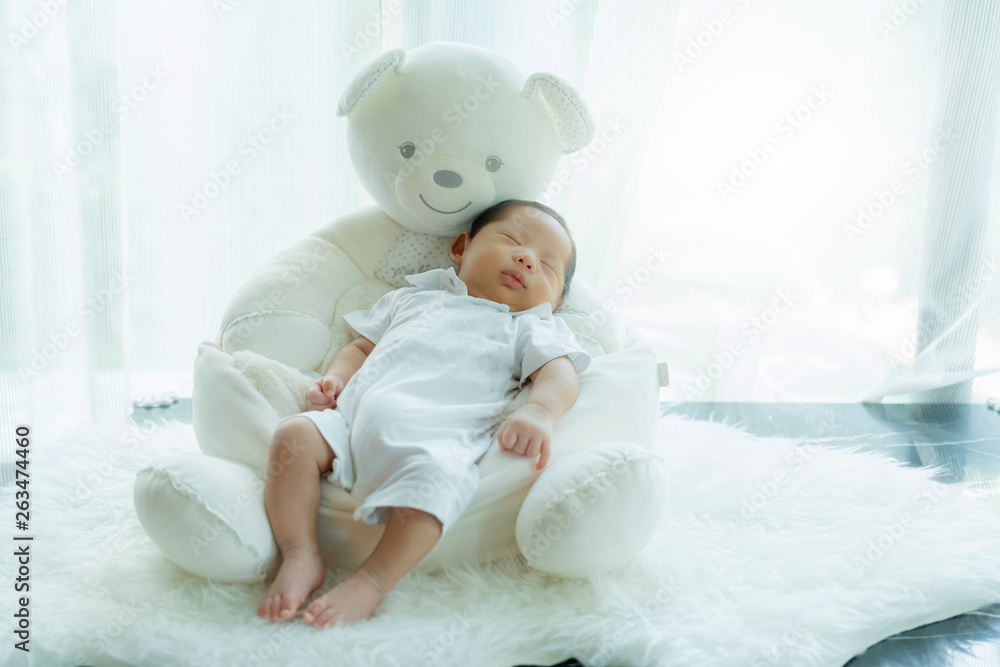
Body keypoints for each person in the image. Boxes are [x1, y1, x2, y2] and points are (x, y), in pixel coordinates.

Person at [256, 199, 591, 628]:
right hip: (349, 422)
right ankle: (300, 554)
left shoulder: (527, 326)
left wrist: (540, 412)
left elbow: (560, 374)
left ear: (558, 299)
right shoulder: (412, 300)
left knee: (438, 486)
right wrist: (335, 379)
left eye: (546, 265)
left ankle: (373, 581)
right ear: (461, 248)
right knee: (293, 437)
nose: (526, 259)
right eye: (511, 240)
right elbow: (360, 348)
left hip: (434, 440)